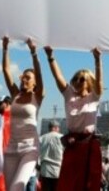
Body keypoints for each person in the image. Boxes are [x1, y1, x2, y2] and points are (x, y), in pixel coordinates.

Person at [43, 45, 103, 191]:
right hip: (73, 145)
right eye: (75, 78)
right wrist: (51, 57)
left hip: (90, 146)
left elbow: (99, 83)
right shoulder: (69, 94)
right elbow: (58, 77)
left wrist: (97, 60)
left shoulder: (94, 96)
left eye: (82, 79)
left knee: (89, 183)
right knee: (68, 183)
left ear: (89, 82)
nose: (77, 81)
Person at [2, 37, 45, 191]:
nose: (24, 80)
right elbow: (6, 71)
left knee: (17, 188)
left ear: (34, 83)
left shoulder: (37, 96)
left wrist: (34, 53)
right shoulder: (15, 95)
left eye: (28, 78)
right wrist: (5, 47)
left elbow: (40, 76)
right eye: (23, 77)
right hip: (12, 148)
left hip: (30, 149)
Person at [38, 120, 64, 191]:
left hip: (45, 170)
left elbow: (37, 153)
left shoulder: (42, 138)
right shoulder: (62, 138)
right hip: (58, 170)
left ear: (49, 128)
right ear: (56, 128)